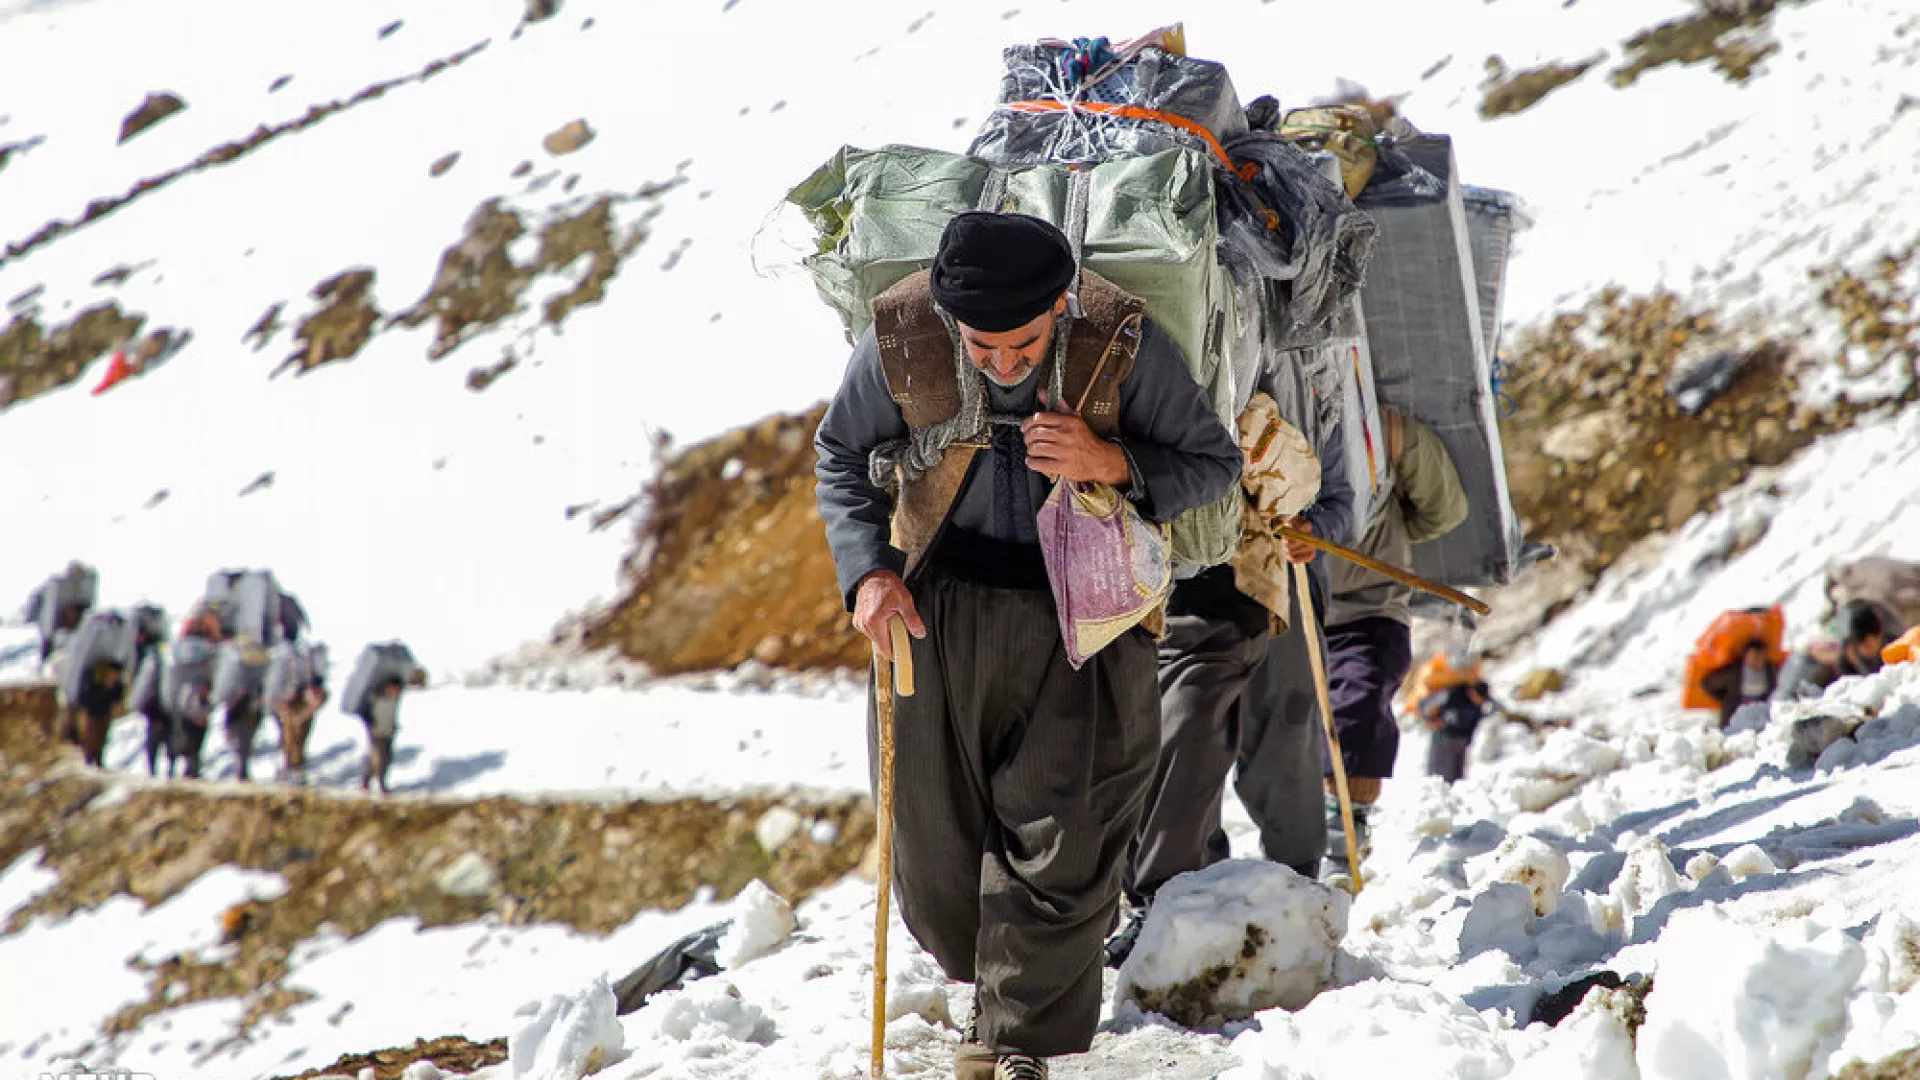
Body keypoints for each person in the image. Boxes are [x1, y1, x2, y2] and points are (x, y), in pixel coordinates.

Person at [814, 211, 1241, 1079]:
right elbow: (840, 455)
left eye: (1026, 344)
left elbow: (1212, 462)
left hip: (1085, 617)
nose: (1004, 365)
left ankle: (1015, 1042)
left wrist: (1111, 462)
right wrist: (868, 575)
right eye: (982, 348)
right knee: (931, 844)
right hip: (939, 612)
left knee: (1063, 831)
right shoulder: (902, 335)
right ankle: (991, 983)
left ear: (1062, 305)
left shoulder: (1117, 337)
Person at [1114, 377, 1350, 965]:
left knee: (1284, 738)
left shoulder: (1282, 389)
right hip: (1165, 598)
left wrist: (1319, 530)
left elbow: (1332, 492)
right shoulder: (1132, 383)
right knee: (1178, 743)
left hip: (1264, 589)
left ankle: (1295, 887)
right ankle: (1172, 898)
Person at [1318, 407, 1468, 880]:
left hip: (1368, 611)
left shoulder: (1383, 429)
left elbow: (1444, 509)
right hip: (1288, 612)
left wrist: (1399, 440)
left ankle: (1345, 836)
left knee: (1358, 707)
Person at [1776, 601, 1887, 700]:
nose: (1868, 649)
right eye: (1862, 643)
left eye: (1874, 641)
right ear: (1848, 645)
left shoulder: (1887, 652)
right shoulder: (1816, 663)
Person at [1422, 668, 1491, 783]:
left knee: (1457, 779)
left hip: (1461, 742)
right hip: (1443, 739)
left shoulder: (1479, 704)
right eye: (1478, 697)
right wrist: (1431, 719)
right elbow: (1425, 704)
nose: (1480, 701)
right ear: (1472, 692)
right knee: (1438, 778)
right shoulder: (1451, 694)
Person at [1700, 639, 1778, 728]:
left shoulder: (1772, 672)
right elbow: (1707, 684)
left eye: (1760, 656)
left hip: (1761, 722)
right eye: (1753, 656)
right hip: (1733, 722)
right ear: (1746, 657)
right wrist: (1725, 698)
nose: (1757, 660)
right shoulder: (1734, 673)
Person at [359, 676, 403, 794]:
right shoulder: (377, 698)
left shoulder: (395, 700)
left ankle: (365, 781)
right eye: (395, 689)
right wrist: (371, 725)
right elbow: (366, 712)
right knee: (380, 758)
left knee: (381, 758)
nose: (397, 692)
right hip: (377, 732)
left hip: (389, 732)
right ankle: (380, 783)